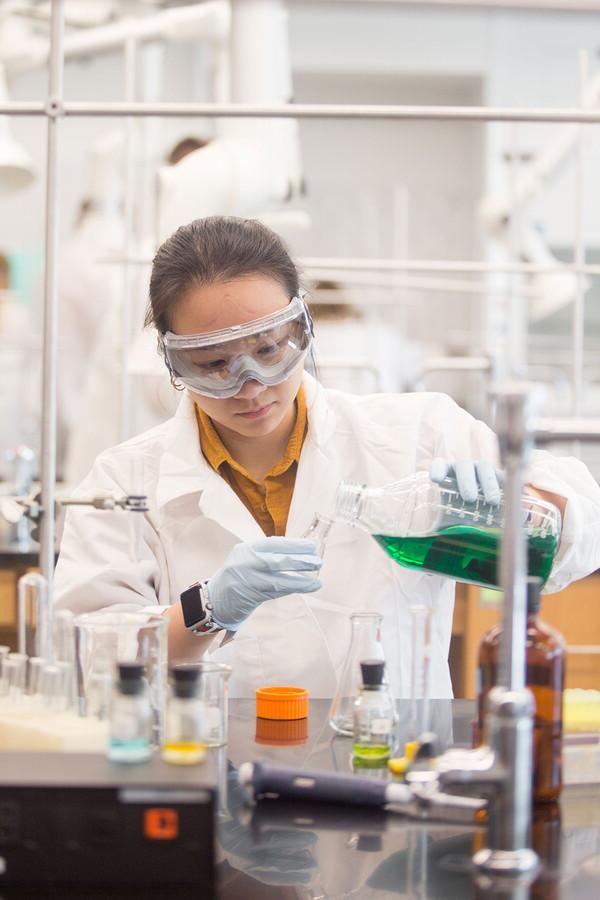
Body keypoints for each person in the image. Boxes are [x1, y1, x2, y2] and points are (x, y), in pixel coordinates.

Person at [54, 216, 600, 699]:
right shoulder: (124, 481)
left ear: (304, 329)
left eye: (270, 350)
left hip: (389, 767)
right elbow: (88, 660)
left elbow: (583, 534)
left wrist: (524, 505)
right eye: (214, 364)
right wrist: (205, 610)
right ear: (173, 362)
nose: (251, 386)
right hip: (205, 771)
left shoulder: (420, 433)